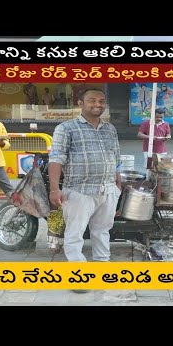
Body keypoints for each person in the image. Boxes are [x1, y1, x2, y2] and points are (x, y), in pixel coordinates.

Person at [48, 88, 122, 271]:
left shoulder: (110, 129)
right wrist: (54, 189)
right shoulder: (66, 128)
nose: (98, 104)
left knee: (102, 231)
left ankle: (102, 265)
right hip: (79, 191)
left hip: (108, 190)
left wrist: (118, 184)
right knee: (74, 233)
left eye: (101, 101)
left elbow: (116, 157)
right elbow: (56, 159)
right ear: (80, 103)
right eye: (92, 100)